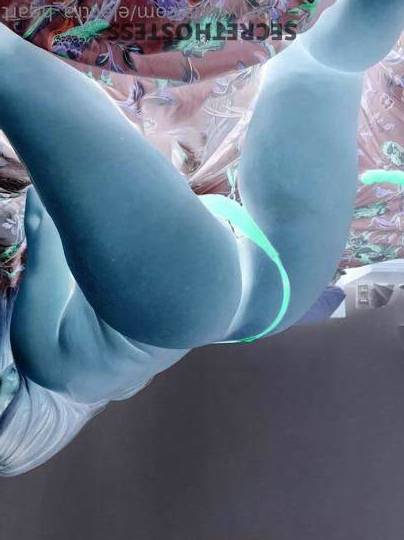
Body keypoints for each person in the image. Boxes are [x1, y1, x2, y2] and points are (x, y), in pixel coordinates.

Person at [0, 0, 403, 475]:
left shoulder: (111, 386)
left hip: (272, 302)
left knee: (323, 68)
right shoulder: (40, 361)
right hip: (174, 302)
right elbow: (44, 226)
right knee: (15, 72)